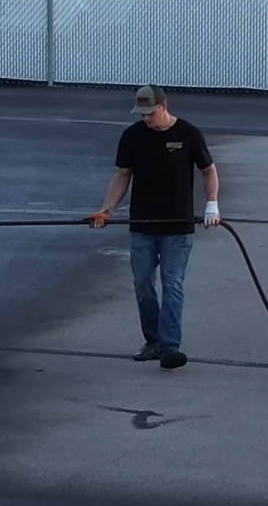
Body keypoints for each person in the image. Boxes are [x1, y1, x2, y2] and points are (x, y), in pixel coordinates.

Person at [87, 85, 220, 371]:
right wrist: (107, 210)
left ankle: (170, 346)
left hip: (178, 228)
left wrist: (212, 204)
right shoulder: (133, 137)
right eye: (142, 114)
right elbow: (122, 175)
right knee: (143, 285)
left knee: (172, 285)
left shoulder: (188, 134)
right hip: (143, 227)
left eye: (151, 113)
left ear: (164, 106)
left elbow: (208, 170)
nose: (147, 119)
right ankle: (153, 341)